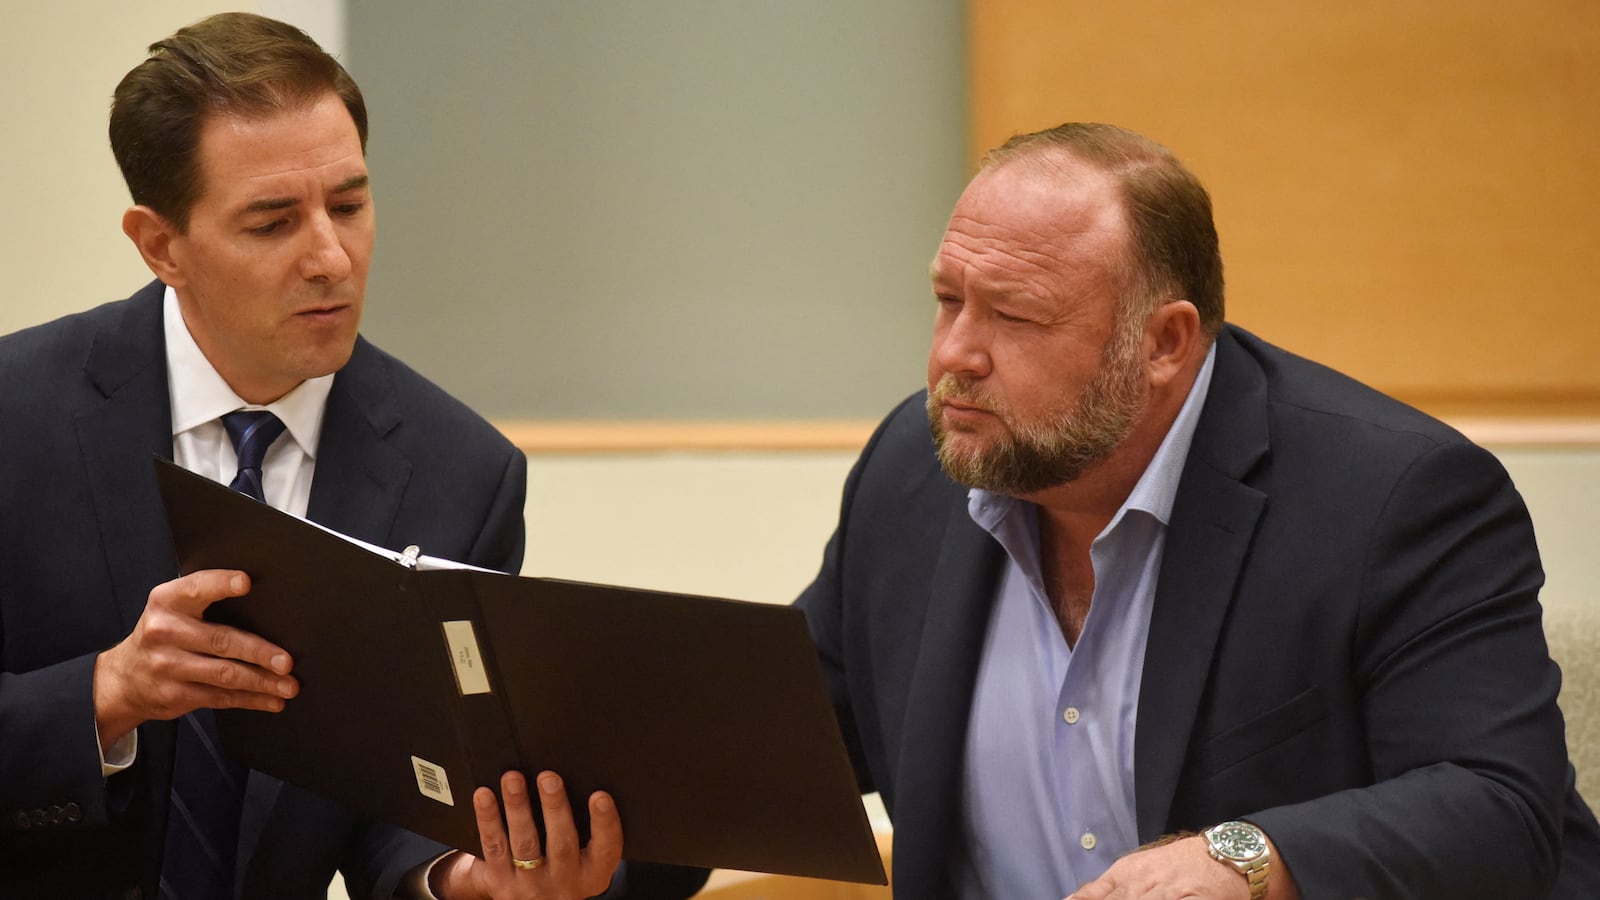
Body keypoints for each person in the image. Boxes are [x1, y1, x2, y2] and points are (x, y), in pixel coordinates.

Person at [796, 122, 1600, 899]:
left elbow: (1500, 811)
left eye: (1014, 317)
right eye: (947, 300)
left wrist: (1247, 859)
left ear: (1163, 344)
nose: (954, 356)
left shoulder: (1396, 499)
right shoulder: (913, 473)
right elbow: (758, 755)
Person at [0, 13, 688, 899]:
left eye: (351, 206)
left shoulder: (462, 472)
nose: (331, 256)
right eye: (272, 222)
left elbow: (404, 800)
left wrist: (458, 879)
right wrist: (103, 696)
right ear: (161, 245)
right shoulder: (18, 415)